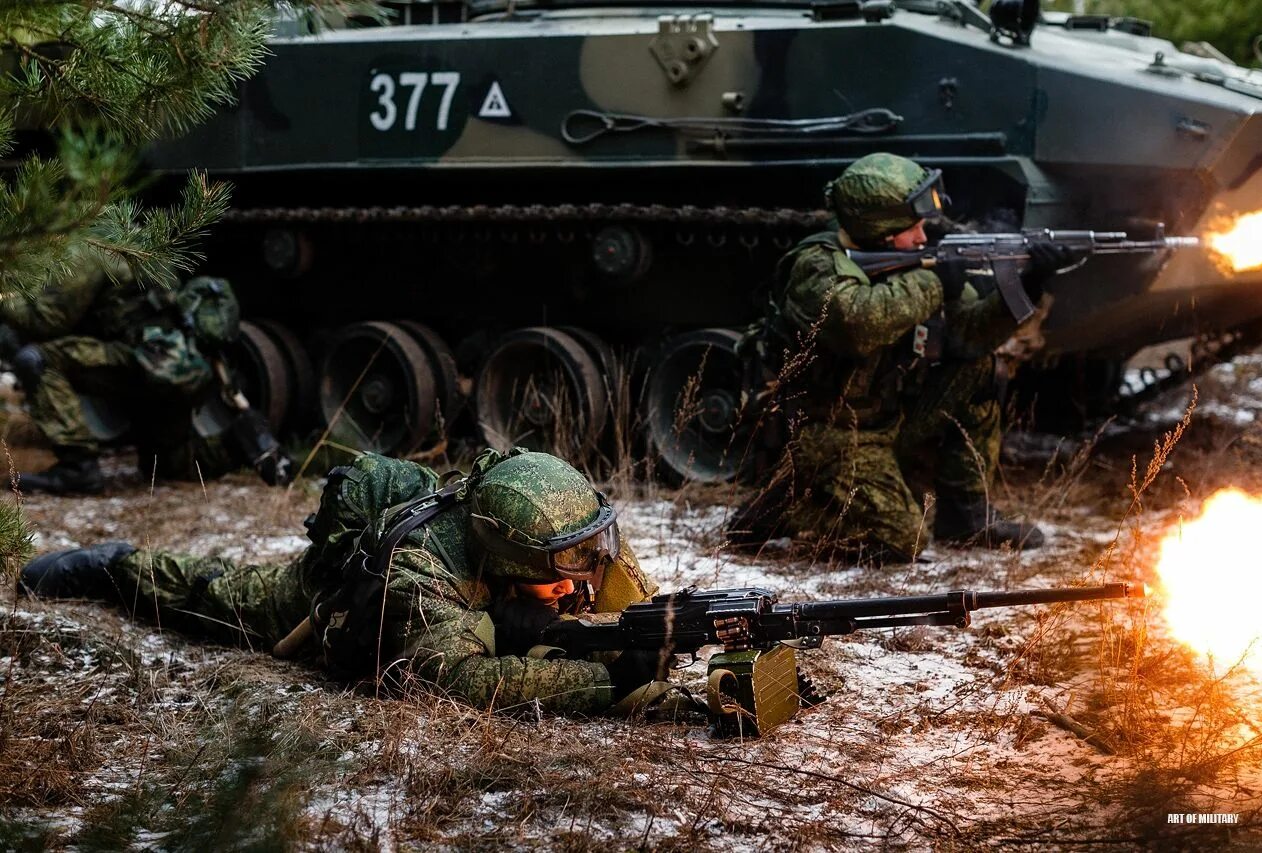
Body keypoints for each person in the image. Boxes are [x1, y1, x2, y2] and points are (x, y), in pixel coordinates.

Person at [18, 448, 668, 715]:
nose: (592, 567)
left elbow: (613, 598)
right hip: (318, 600)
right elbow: (462, 681)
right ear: (514, 554)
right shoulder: (423, 575)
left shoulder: (534, 543)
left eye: (594, 545)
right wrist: (611, 680)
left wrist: (653, 633)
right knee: (211, 591)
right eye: (572, 558)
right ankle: (112, 563)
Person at [729, 153, 1078, 563]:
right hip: (827, 433)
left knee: (979, 368)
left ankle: (965, 515)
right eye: (910, 227)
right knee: (904, 538)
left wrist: (1030, 282)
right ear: (876, 229)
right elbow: (861, 323)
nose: (921, 237)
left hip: (890, 417)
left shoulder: (910, 264)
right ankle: (788, 504)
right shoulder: (816, 267)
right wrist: (933, 281)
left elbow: (967, 336)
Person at [0, 254, 289, 494]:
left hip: (140, 363)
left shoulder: (90, 246)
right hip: (176, 365)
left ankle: (78, 468)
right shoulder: (135, 238)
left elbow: (46, 320)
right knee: (170, 467)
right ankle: (237, 444)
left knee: (37, 359)